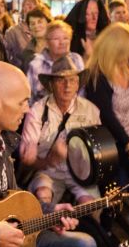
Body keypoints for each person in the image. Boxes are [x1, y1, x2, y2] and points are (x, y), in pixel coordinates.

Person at [0, 62, 94, 247]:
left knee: (84, 243)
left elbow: (12, 201)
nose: (26, 109)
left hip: (19, 236)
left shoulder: (1, 137)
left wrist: (50, 212)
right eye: (22, 102)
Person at [81, 23, 129, 246]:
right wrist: (127, 144)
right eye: (128, 50)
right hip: (112, 143)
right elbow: (106, 116)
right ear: (115, 49)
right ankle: (106, 230)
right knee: (115, 192)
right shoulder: (98, 75)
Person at [20, 56, 101, 206]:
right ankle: (48, 228)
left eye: (72, 80)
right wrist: (49, 158)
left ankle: (87, 227)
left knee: (91, 206)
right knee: (42, 196)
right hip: (47, 172)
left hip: (80, 174)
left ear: (78, 85)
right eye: (60, 80)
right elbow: (28, 160)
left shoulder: (91, 110)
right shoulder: (37, 111)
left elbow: (98, 151)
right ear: (51, 84)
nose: (67, 86)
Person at [26, 21, 85, 104]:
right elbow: (29, 97)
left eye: (66, 38)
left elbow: (82, 92)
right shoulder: (36, 64)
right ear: (47, 43)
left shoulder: (76, 59)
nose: (62, 43)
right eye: (56, 39)